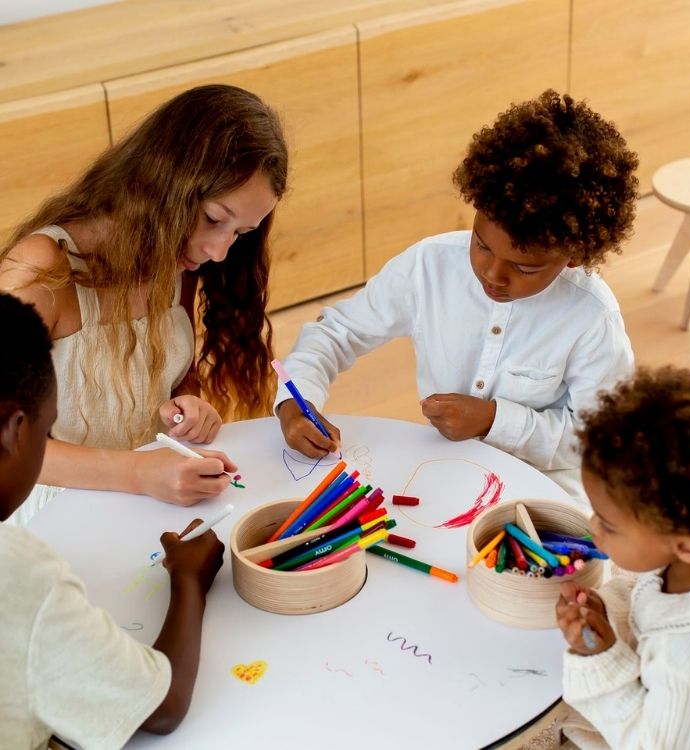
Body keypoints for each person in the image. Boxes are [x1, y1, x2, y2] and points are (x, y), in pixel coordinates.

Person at [275, 89, 637, 497]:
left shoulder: (591, 316)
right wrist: (295, 403)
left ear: (573, 257)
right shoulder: (428, 266)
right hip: (444, 474)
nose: (493, 275)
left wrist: (493, 421)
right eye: (482, 245)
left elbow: (597, 438)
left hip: (544, 488)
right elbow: (336, 333)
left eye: (524, 268)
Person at [0, 84, 288, 523]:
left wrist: (188, 407)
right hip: (54, 512)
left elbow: (169, 375)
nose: (219, 251)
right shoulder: (41, 269)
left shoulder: (177, 263)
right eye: (213, 219)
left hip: (151, 492)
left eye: (240, 233)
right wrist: (139, 472)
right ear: (165, 183)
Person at [0, 292, 225, 748]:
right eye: (48, 431)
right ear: (15, 431)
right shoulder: (19, 569)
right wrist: (189, 580)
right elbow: (160, 709)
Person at [556, 365, 690, 749]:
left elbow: (650, 744)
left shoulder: (688, 660)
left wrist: (601, 656)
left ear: (685, 548)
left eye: (608, 525)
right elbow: (650, 588)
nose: (592, 527)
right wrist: (612, 606)